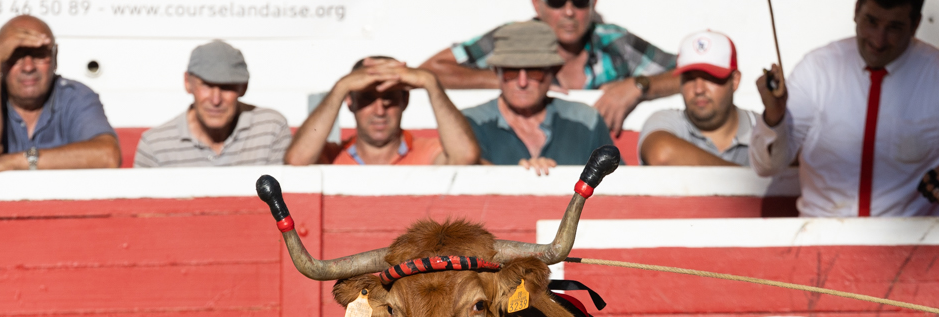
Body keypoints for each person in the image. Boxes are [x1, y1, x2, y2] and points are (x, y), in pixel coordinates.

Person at [751, 0, 939, 216]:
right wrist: (774, 118)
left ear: (915, 24)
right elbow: (767, 167)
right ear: (856, 11)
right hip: (821, 239)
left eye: (894, 27)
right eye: (871, 21)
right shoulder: (818, 70)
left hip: (908, 245)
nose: (879, 41)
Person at [421, 0, 678, 135]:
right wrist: (503, 78)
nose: (568, 11)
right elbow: (433, 68)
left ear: (593, 3)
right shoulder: (513, 39)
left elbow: (688, 74)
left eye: (579, 1)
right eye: (556, 1)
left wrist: (639, 85)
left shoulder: (615, 41)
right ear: (536, 3)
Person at [0, 15, 120, 194]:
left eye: (39, 54)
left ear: (55, 58)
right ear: (1, 62)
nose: (28, 67)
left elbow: (108, 156)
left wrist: (14, 162)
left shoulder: (76, 96)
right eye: (15, 55)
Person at [461, 21, 612, 175]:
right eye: (510, 72)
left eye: (534, 72)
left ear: (553, 72)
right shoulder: (468, 122)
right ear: (496, 72)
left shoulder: (587, 120)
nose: (522, 82)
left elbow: (618, 182)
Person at [283, 56, 479, 166]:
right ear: (350, 102)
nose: (379, 111)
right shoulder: (333, 155)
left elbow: (464, 157)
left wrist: (430, 82)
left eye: (389, 99)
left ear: (405, 100)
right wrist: (341, 87)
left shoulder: (427, 151)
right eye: (367, 99)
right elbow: (297, 160)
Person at [134, 40, 290, 168]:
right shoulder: (155, 146)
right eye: (207, 85)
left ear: (243, 87)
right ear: (187, 82)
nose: (216, 100)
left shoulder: (271, 129)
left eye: (227, 86)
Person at [638, 31, 757, 166]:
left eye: (710, 77)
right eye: (689, 78)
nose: (699, 89)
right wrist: (749, 179)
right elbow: (661, 154)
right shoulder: (666, 120)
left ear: (735, 80)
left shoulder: (764, 128)